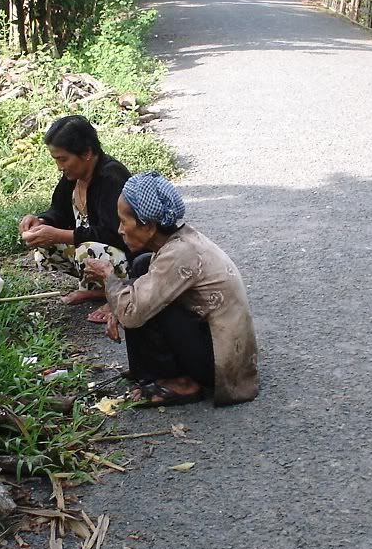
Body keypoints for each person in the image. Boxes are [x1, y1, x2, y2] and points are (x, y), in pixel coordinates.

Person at [84, 171, 259, 407]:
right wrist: (117, 304)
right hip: (211, 342)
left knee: (146, 302)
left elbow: (133, 312)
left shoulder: (180, 253)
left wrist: (109, 279)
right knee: (141, 266)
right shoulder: (177, 240)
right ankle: (150, 372)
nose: (120, 230)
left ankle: (182, 382)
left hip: (221, 365)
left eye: (124, 222)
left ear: (149, 226)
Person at [19, 115, 131, 322]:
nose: (60, 167)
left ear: (87, 153)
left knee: (87, 249)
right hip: (96, 249)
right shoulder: (73, 177)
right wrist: (40, 222)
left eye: (63, 159)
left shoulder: (111, 178)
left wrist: (60, 235)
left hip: (128, 257)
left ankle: (122, 291)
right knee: (43, 247)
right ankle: (99, 290)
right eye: (56, 160)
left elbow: (114, 233)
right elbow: (58, 211)